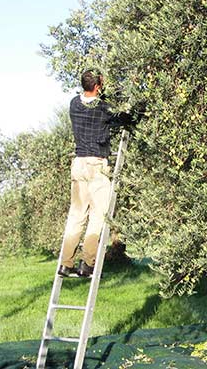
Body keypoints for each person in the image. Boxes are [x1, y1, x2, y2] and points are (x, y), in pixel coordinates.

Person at [58, 69, 134, 277]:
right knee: (98, 215)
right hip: (96, 165)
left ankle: (65, 263)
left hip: (78, 164)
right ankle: (87, 263)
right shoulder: (103, 108)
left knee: (76, 216)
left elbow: (93, 102)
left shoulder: (74, 103)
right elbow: (123, 119)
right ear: (98, 86)